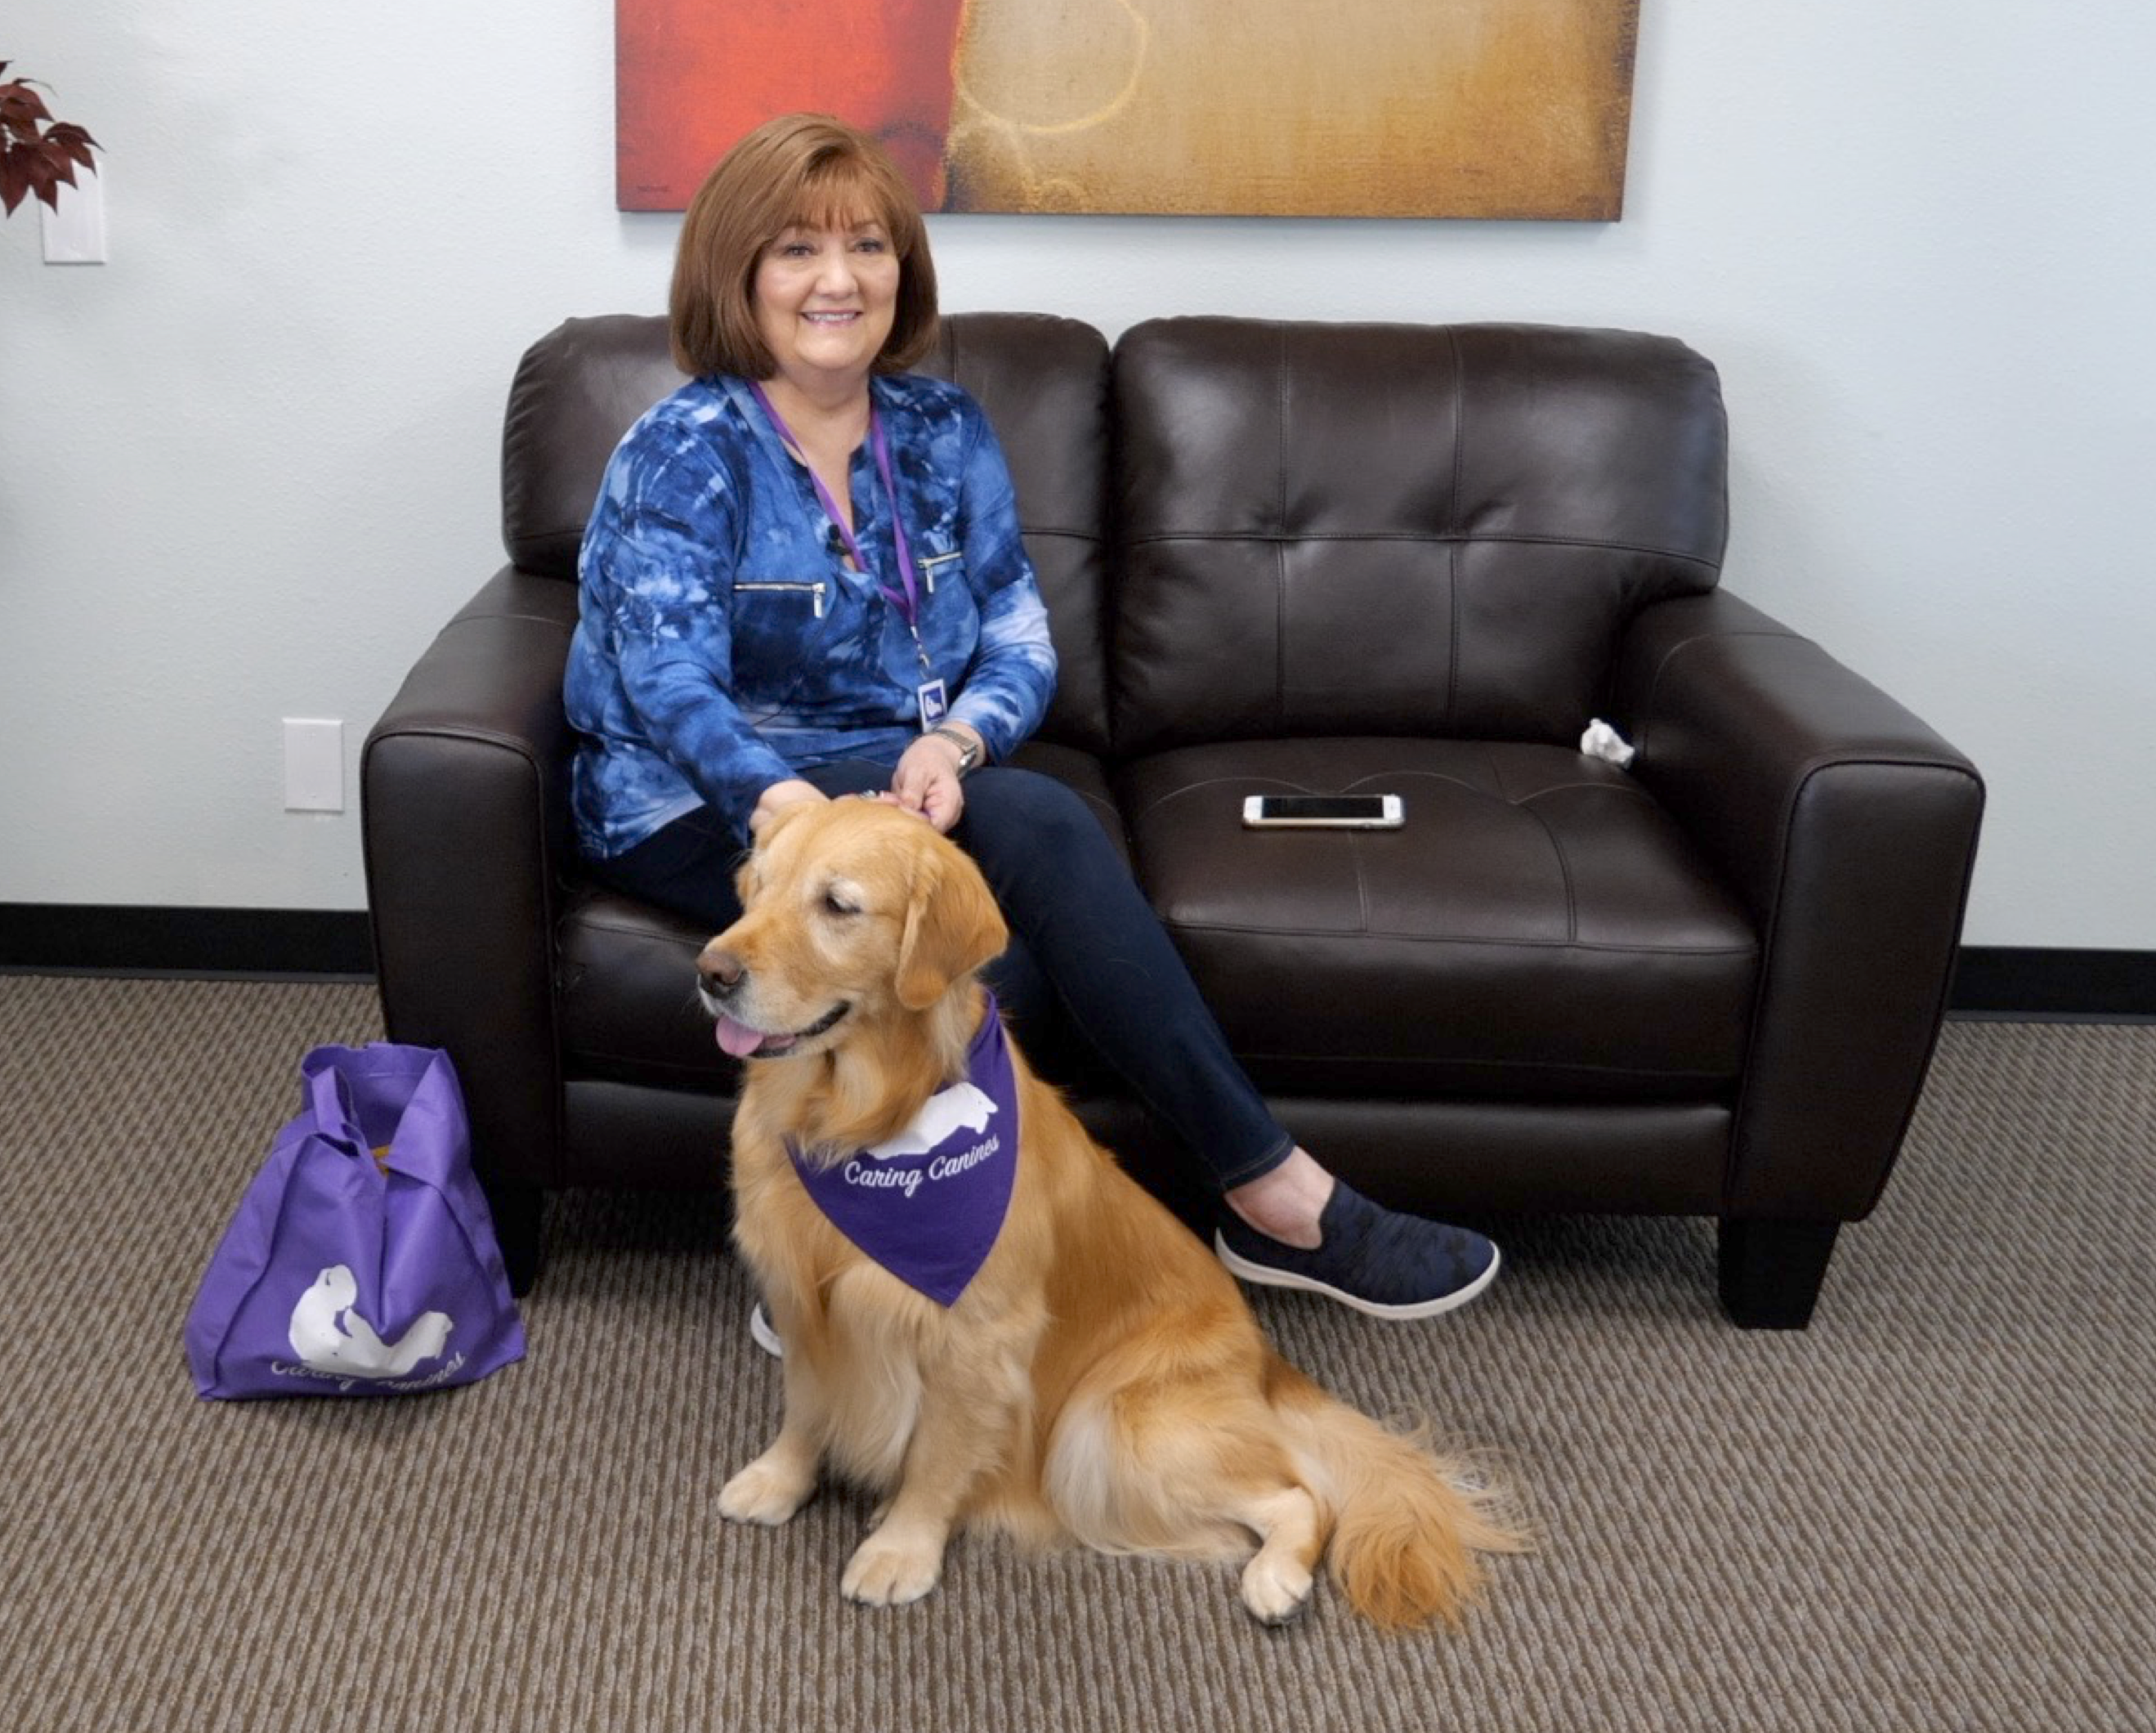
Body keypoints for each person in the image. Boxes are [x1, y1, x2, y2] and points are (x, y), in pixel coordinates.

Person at [563, 113, 1499, 1321]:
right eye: (796, 249)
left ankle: (905, 1234)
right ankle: (1273, 1196)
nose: (838, 279)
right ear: (737, 275)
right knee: (1043, 836)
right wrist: (787, 813)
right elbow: (666, 681)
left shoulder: (944, 431)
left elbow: (1016, 629)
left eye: (867, 246)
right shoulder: (683, 451)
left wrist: (955, 744)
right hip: (700, 798)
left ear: (905, 268)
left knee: (1017, 946)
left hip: (887, 786)